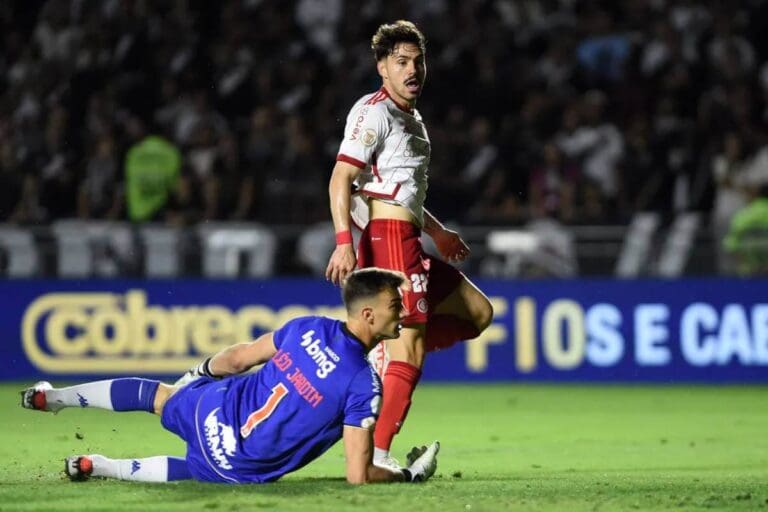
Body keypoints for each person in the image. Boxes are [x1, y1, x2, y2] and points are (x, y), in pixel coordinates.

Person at [20, 268, 440, 485]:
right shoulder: (364, 383)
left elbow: (238, 359)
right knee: (200, 471)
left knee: (161, 397)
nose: (403, 312)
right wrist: (409, 475)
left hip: (213, 408)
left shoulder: (306, 326)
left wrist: (199, 371)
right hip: (239, 464)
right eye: (394, 305)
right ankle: (100, 466)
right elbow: (358, 475)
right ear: (368, 314)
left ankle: (54, 398)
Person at [325, 20, 493, 469]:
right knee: (411, 350)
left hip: (410, 236)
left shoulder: (411, 117)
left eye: (418, 61)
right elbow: (342, 178)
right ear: (382, 67)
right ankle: (375, 456)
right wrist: (344, 243)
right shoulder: (373, 111)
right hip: (390, 242)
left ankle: (386, 357)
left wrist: (435, 230)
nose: (412, 69)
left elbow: (396, 190)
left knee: (479, 312)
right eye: (401, 62)